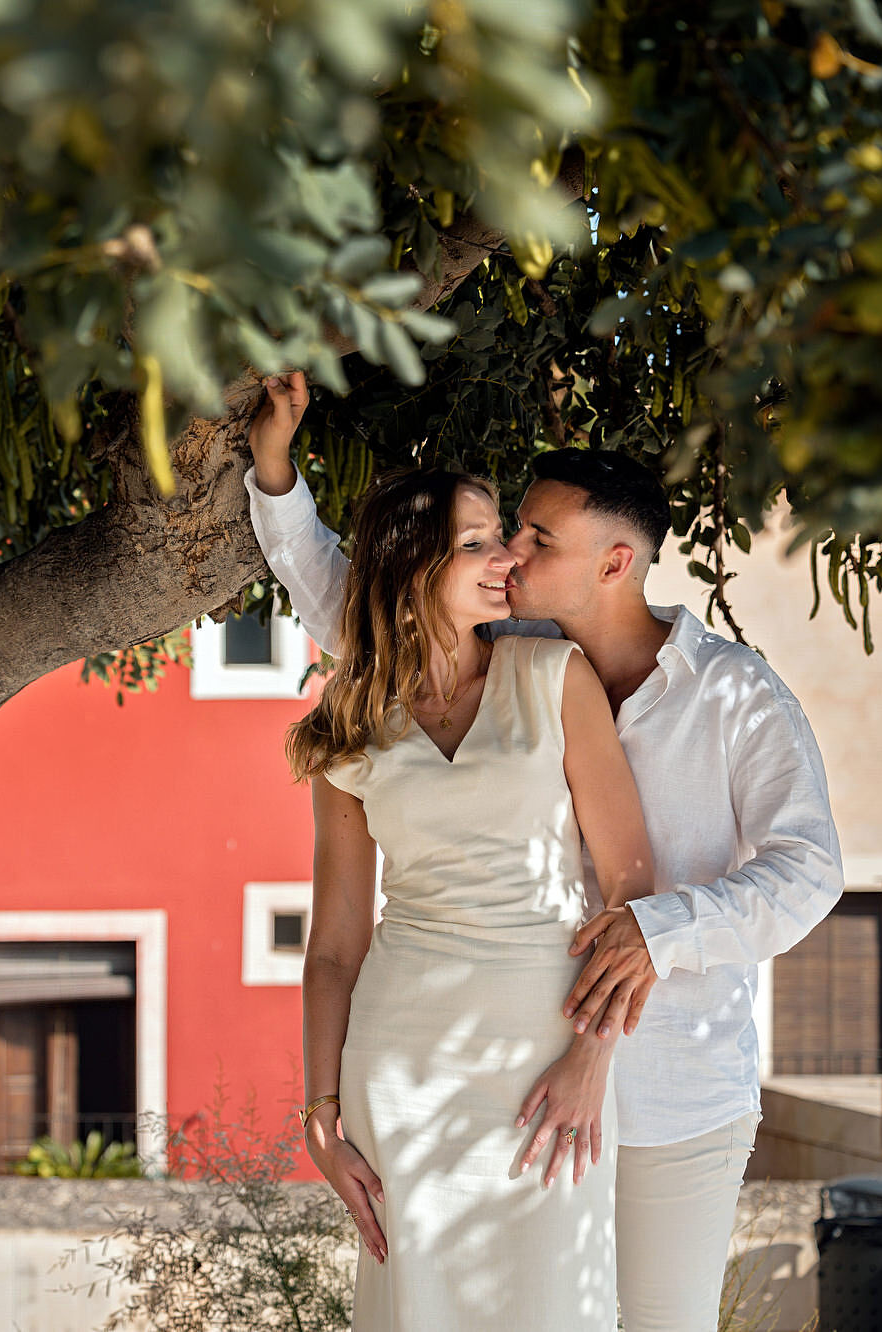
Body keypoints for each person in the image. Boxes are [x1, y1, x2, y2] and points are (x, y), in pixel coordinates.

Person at [252, 372, 845, 1332]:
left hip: (672, 1091)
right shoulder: (510, 648)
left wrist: (661, 933)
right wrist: (274, 471)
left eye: (535, 539)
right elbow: (362, 595)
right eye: (503, 531)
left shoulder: (735, 697)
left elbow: (808, 871)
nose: (513, 552)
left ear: (614, 565)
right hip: (503, 1064)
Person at [292, 464, 657, 1330]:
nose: (505, 557)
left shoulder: (553, 674)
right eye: (475, 543)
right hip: (403, 1064)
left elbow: (632, 888)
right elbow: (336, 946)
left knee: (554, 1304)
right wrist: (320, 1116)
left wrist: (591, 1058)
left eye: (500, 535)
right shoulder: (347, 723)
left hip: (547, 1056)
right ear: (411, 566)